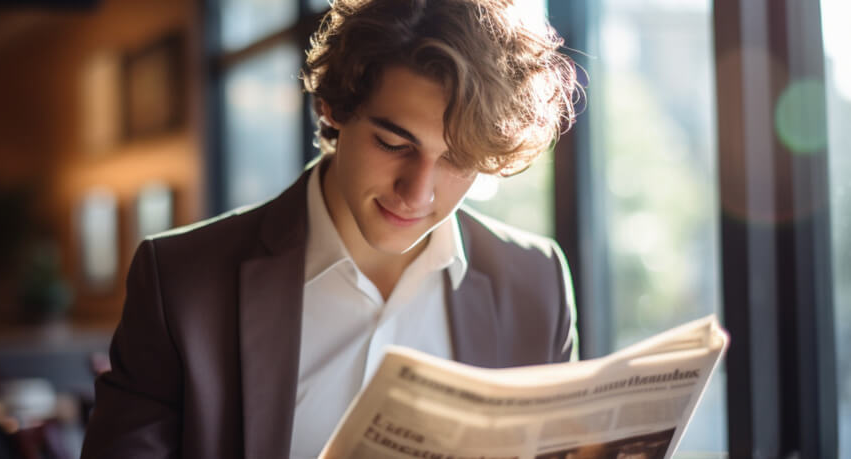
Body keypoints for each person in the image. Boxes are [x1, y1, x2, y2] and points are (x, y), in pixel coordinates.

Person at [81, 0, 581, 457]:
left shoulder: (535, 280)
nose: (418, 193)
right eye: (392, 143)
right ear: (334, 109)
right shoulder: (181, 282)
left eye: (457, 161)